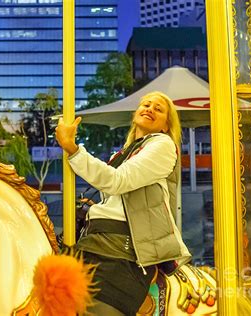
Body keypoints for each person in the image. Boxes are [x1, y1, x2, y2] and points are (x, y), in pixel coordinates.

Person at [55, 91, 191, 315]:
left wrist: (72, 147)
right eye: (145, 104)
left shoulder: (163, 145)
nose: (149, 109)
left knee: (97, 308)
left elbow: (118, 181)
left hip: (124, 248)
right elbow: (119, 193)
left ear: (166, 125)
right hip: (96, 240)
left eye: (158, 109)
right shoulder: (125, 153)